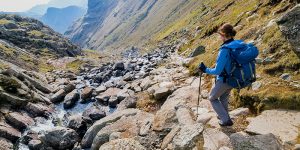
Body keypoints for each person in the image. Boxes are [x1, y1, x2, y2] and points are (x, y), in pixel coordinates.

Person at [198, 23, 242, 126]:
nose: (219, 36)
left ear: (224, 34)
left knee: (212, 98)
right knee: (223, 98)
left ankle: (226, 120)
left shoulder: (225, 49)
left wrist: (205, 69)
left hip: (224, 80)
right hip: (234, 78)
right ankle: (223, 116)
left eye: (220, 34)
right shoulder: (235, 45)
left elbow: (217, 71)